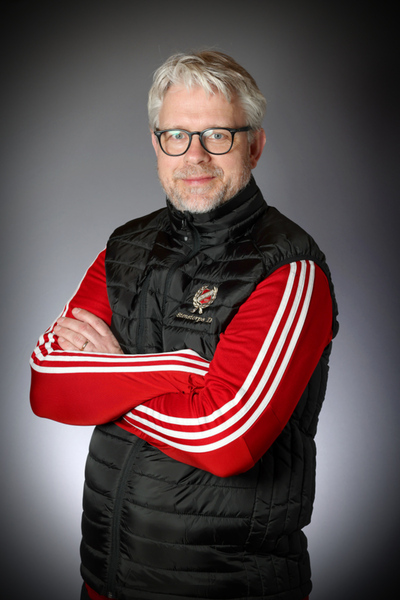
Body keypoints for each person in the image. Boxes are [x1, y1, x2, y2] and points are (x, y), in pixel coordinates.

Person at [30, 50, 338, 600]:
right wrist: (181, 370)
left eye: (218, 134)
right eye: (176, 135)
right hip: (104, 579)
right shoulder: (124, 247)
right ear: (156, 145)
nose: (194, 155)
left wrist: (112, 375)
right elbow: (49, 384)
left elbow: (225, 439)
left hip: (228, 586)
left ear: (254, 145)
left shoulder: (290, 269)